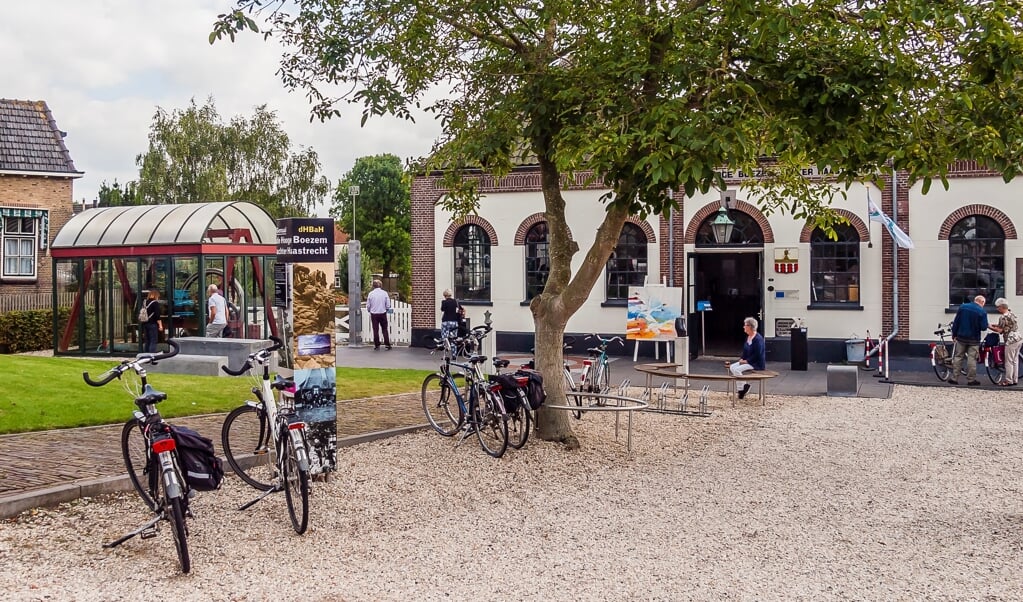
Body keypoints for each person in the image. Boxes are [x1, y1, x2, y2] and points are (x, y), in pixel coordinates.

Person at [949, 294, 989, 386]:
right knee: (972, 359)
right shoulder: (982, 312)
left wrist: (954, 334)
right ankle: (971, 380)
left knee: (958, 357)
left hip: (961, 337)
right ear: (982, 302)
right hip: (974, 339)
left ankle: (954, 378)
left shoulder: (963, 307)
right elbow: (983, 327)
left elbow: (956, 322)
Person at [727, 316, 766, 400]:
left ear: (750, 327)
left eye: (745, 325)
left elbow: (757, 355)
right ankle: (744, 387)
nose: (744, 327)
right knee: (732, 367)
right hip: (747, 361)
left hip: (755, 363)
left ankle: (741, 390)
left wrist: (746, 361)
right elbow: (745, 351)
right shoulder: (748, 337)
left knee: (737, 370)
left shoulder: (758, 339)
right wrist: (742, 358)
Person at [989, 297, 1021, 386]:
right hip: (1018, 338)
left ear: (1002, 307)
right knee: (1015, 360)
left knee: (1008, 361)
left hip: (1010, 340)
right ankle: (1015, 379)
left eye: (998, 307)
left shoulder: (1003, 317)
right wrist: (996, 325)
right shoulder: (1011, 314)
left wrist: (989, 327)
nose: (997, 309)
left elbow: (1000, 330)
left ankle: (1008, 380)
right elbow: (1006, 325)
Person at [366, 279, 392, 350]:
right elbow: (388, 304)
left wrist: (369, 310)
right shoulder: (384, 293)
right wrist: (386, 309)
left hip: (374, 314)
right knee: (384, 329)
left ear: (373, 286)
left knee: (375, 330)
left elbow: (368, 305)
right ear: (380, 285)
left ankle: (377, 345)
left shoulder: (371, 294)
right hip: (382, 313)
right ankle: (387, 344)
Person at [143, 289, 163, 353]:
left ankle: (146, 355)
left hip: (145, 323)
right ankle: (151, 355)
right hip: (152, 324)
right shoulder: (155, 303)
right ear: (156, 296)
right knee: (153, 340)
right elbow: (157, 315)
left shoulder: (145, 302)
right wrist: (160, 325)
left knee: (147, 341)